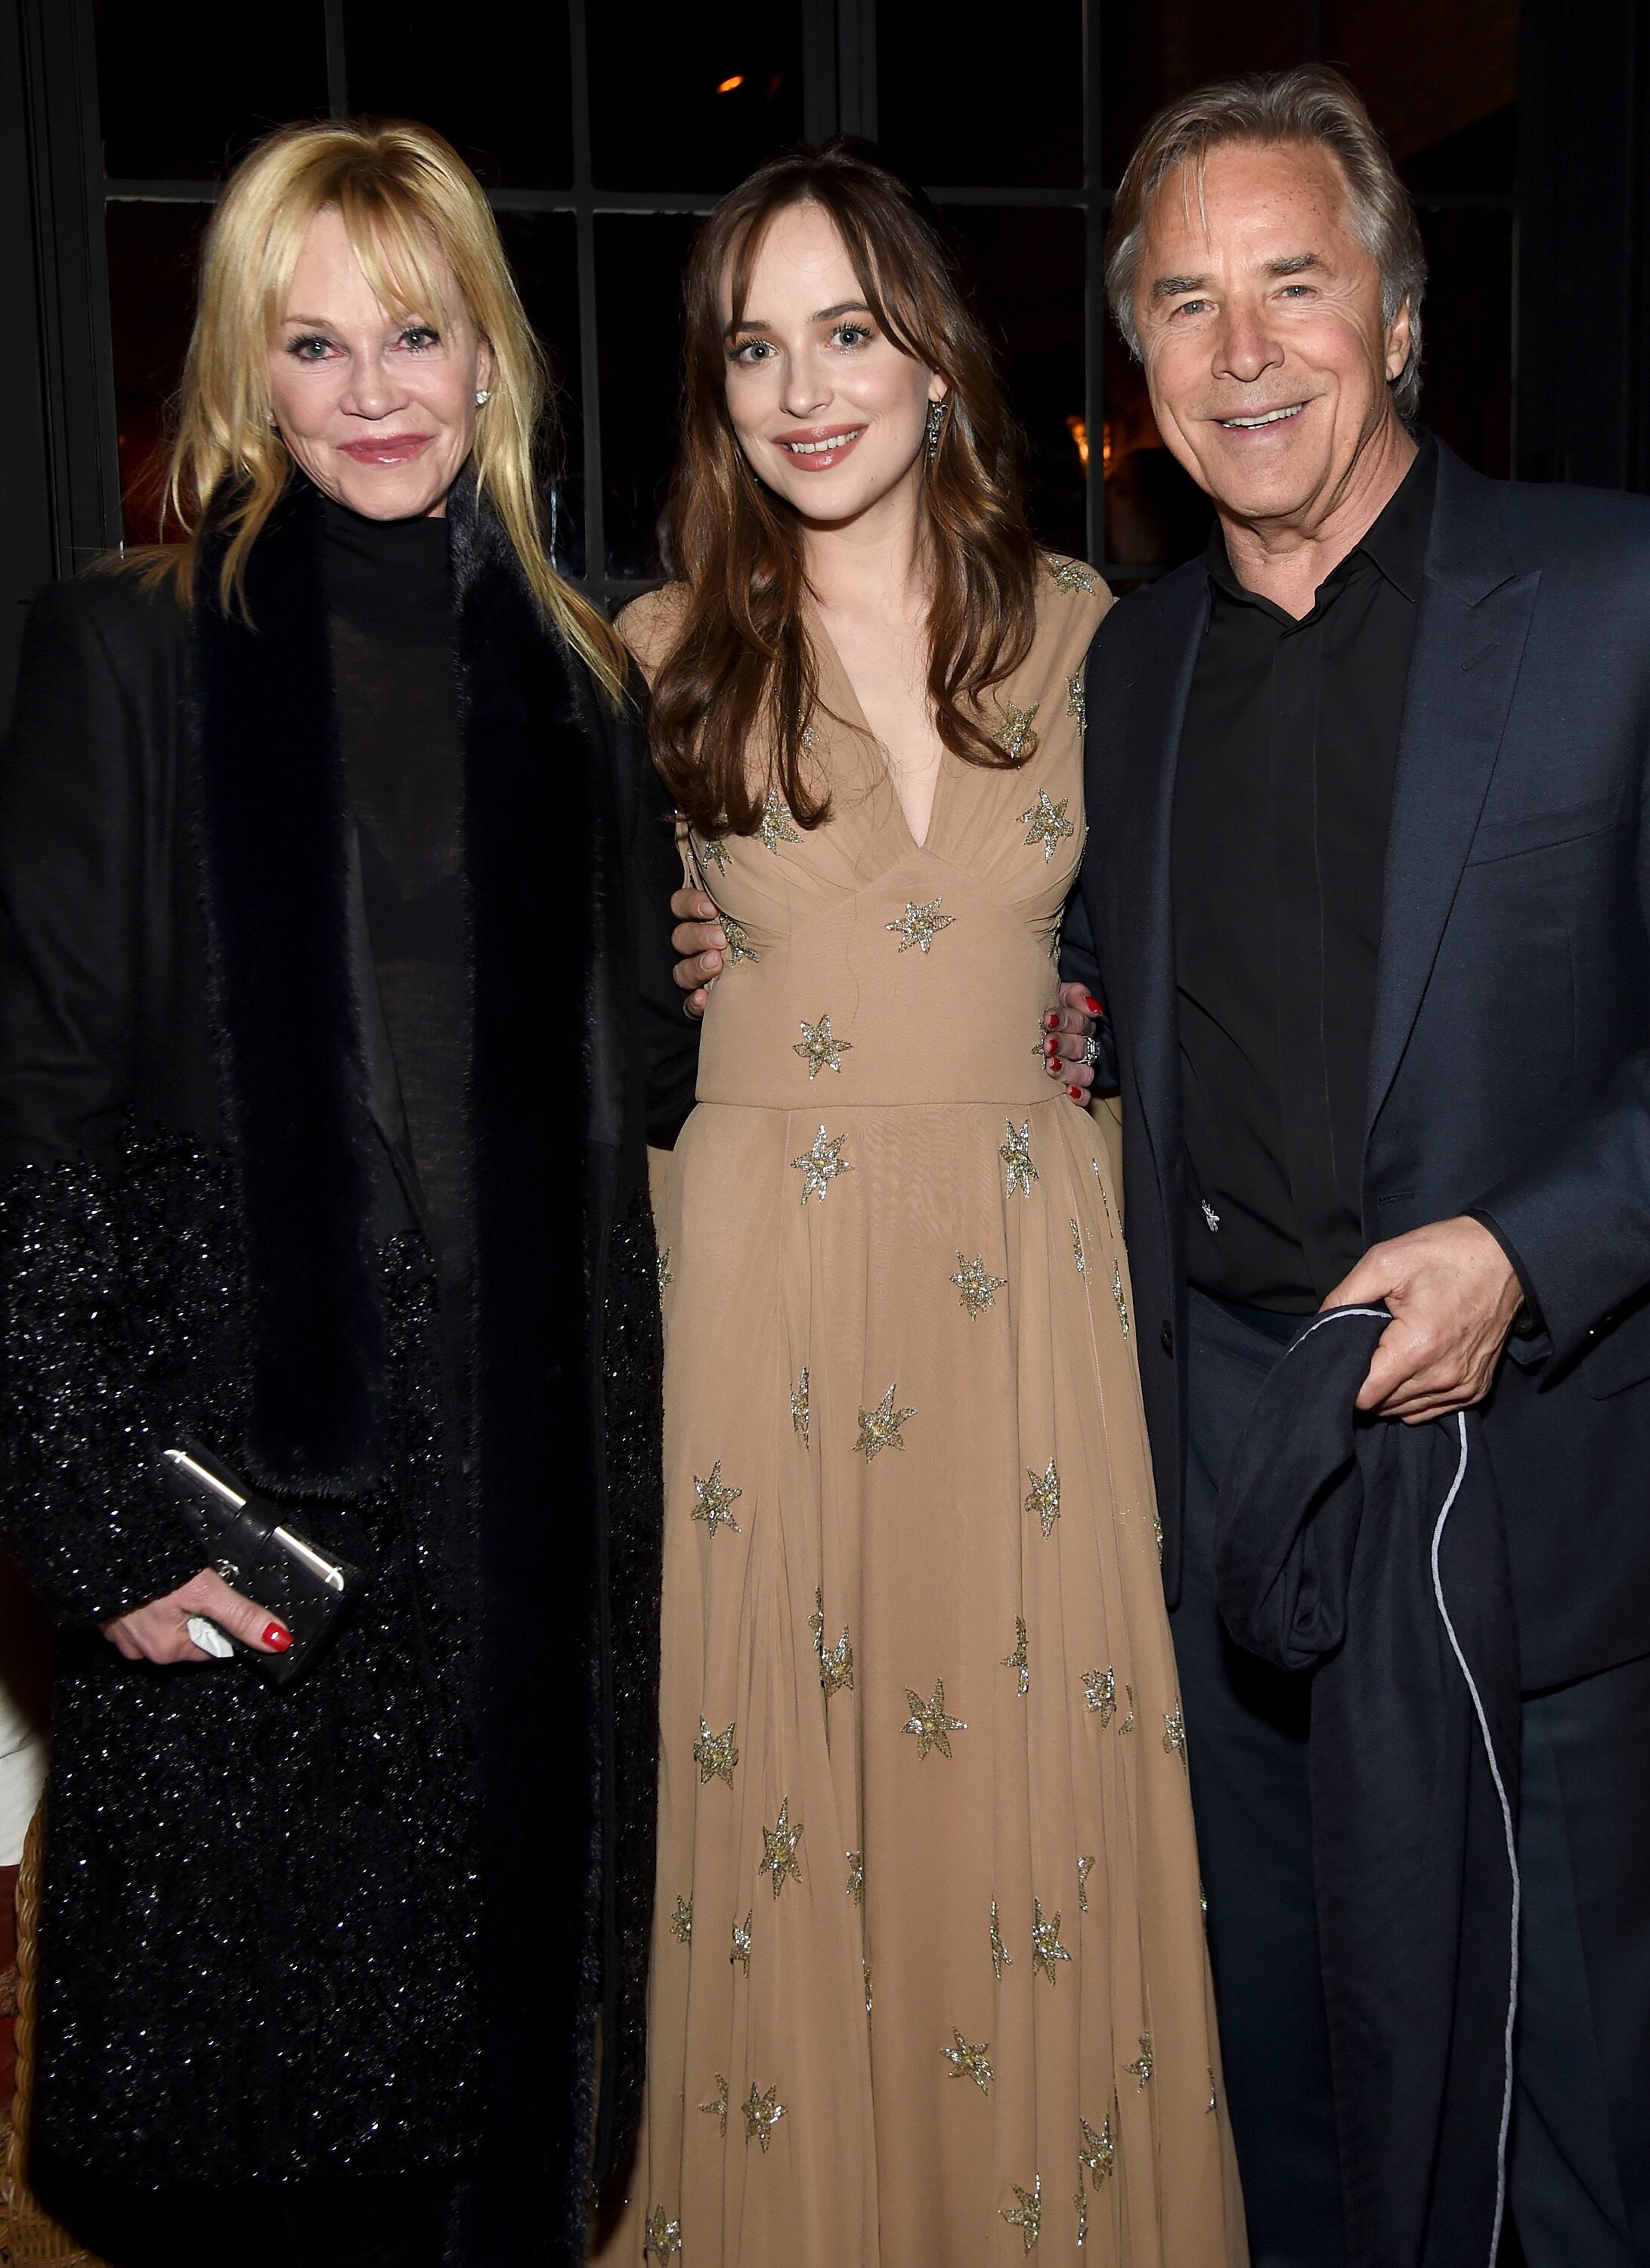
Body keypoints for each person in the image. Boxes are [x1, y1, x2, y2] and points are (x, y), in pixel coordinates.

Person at [0, 117, 692, 2266]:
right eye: (317, 345)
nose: (377, 389)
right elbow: (29, 1114)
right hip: (258, 1510)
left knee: (499, 2139)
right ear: (245, 375)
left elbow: (629, 1087)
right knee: (255, 2154)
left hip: (528, 1528)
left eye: (419, 330)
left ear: (494, 358)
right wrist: (101, 1515)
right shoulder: (129, 654)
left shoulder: (579, 684)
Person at [599, 141, 1246, 2268]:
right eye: (756, 346)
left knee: (1009, 1834)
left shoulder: (1100, 640)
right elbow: (554, 1015)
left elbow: (1192, 971)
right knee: (779, 1826)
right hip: (758, 1304)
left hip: (1022, 1304)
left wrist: (1086, 1027)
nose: (805, 389)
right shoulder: (652, 655)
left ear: (937, 361)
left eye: (848, 332)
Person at [1072, 67, 1650, 2268]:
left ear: (1398, 318)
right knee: (1294, 2099)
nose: (1243, 353)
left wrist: (1532, 1243)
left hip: (1540, 1467)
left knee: (1569, 2119)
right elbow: (1110, 977)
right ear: (1139, 370)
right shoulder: (1132, 675)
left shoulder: (1612, 594)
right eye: (1188, 305)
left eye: (1293, 286)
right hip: (1241, 1455)